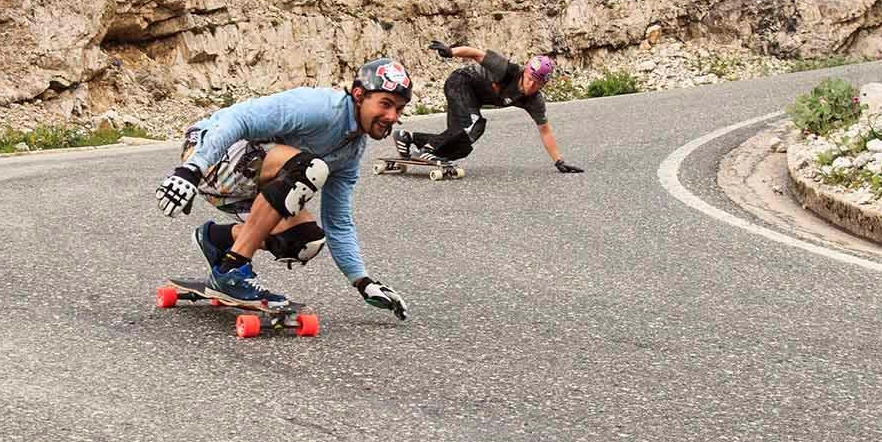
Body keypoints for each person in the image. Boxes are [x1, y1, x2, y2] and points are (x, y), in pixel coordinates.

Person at [155, 58, 414, 319]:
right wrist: (191, 169)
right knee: (310, 168)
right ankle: (232, 271)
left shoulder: (352, 151)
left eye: (399, 109)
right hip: (210, 152)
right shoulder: (319, 107)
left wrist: (362, 281)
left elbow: (338, 221)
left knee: (304, 240)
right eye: (385, 104)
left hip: (241, 183)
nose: (392, 117)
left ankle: (216, 239)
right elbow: (238, 119)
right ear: (359, 95)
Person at [395, 41, 585, 174]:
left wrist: (559, 161)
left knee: (462, 143)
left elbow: (545, 130)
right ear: (525, 72)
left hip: (472, 99)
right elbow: (476, 53)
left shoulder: (534, 100)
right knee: (473, 123)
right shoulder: (507, 69)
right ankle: (426, 151)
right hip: (461, 82)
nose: (531, 86)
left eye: (538, 84)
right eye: (530, 79)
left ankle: (409, 138)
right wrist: (451, 51)